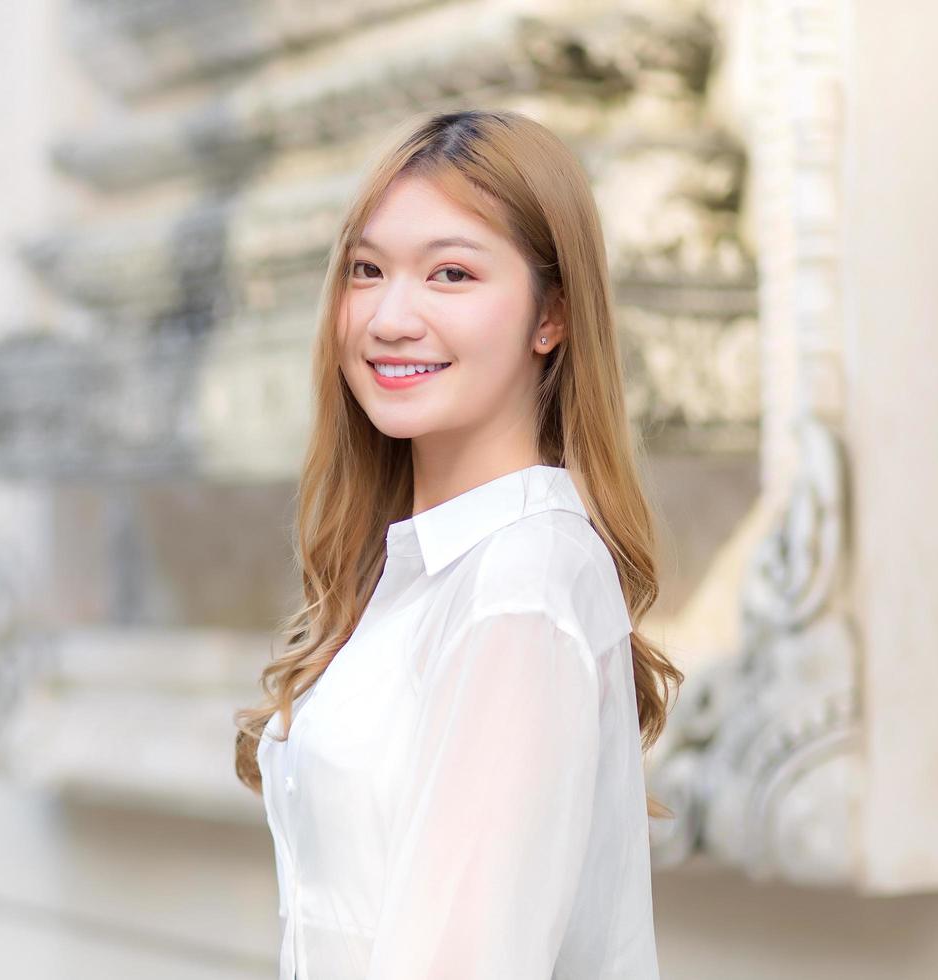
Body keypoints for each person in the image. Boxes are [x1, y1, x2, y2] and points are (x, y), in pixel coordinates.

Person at [232, 109, 684, 979]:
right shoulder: (423, 572)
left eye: (450, 273)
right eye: (367, 270)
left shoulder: (521, 584)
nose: (390, 318)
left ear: (550, 315)